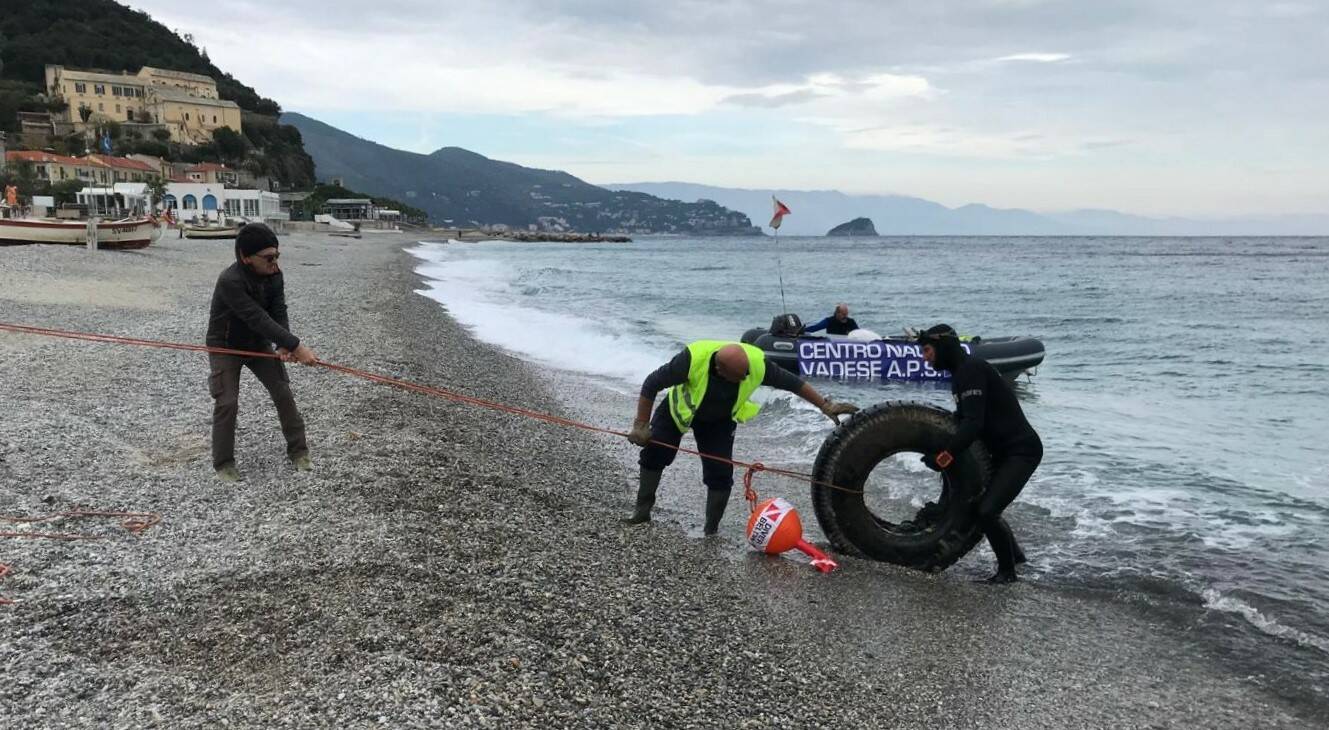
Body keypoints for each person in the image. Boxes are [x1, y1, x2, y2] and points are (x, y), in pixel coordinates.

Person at [625, 340, 859, 534]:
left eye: (746, 373)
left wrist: (826, 406)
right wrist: (641, 425)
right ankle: (641, 512)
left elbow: (794, 384)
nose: (746, 378)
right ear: (720, 370)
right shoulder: (690, 360)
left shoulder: (756, 365)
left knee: (720, 472)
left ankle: (710, 530)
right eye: (739, 376)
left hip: (719, 420)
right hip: (680, 410)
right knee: (655, 454)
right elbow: (651, 384)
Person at [916, 324, 1040, 583]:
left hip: (1020, 452)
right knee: (984, 506)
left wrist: (944, 456)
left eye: (927, 350)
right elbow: (961, 421)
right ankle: (1016, 557)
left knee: (986, 511)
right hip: (1001, 453)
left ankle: (1007, 573)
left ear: (943, 347)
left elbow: (974, 424)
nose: (924, 357)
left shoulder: (972, 370)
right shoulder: (961, 374)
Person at [206, 223, 317, 482]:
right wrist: (298, 346)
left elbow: (278, 312)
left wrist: (284, 345)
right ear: (246, 257)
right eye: (269, 257)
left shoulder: (274, 274)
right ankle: (224, 464)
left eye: (277, 255)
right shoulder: (229, 281)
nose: (275, 262)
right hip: (225, 346)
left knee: (282, 391)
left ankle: (299, 452)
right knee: (227, 402)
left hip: (257, 344)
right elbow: (256, 318)